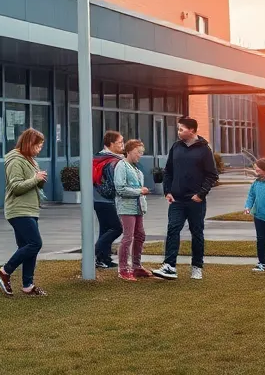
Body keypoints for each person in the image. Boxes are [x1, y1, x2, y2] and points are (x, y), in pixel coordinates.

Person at [152, 117, 219, 281]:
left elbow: (212, 175)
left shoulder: (204, 150)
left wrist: (200, 194)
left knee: (197, 233)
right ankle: (169, 266)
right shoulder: (176, 147)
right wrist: (167, 191)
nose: (179, 132)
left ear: (192, 130)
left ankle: (197, 267)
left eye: (182, 129)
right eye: (179, 129)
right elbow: (168, 171)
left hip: (196, 201)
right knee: (173, 229)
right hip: (177, 200)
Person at [0, 128, 49, 297]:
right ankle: (4, 272)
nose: (39, 150)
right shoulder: (15, 160)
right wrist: (35, 179)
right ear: (28, 143)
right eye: (37, 146)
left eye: (41, 146)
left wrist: (40, 181)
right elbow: (16, 187)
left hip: (30, 209)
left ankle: (28, 285)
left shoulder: (30, 160)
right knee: (35, 243)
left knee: (27, 247)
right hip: (18, 210)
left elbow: (33, 184)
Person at [114, 138, 152, 281]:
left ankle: (136, 266)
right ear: (129, 151)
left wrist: (141, 193)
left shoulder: (135, 167)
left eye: (142, 153)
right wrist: (139, 191)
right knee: (128, 237)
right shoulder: (121, 166)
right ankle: (123, 269)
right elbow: (120, 188)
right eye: (138, 152)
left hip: (138, 207)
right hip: (126, 207)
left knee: (140, 235)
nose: (140, 155)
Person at [92, 130, 125, 270]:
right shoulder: (112, 161)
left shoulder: (98, 157)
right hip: (107, 200)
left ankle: (103, 259)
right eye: (120, 142)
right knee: (117, 228)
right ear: (111, 144)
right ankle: (96, 250)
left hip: (96, 199)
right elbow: (113, 184)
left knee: (105, 229)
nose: (123, 145)